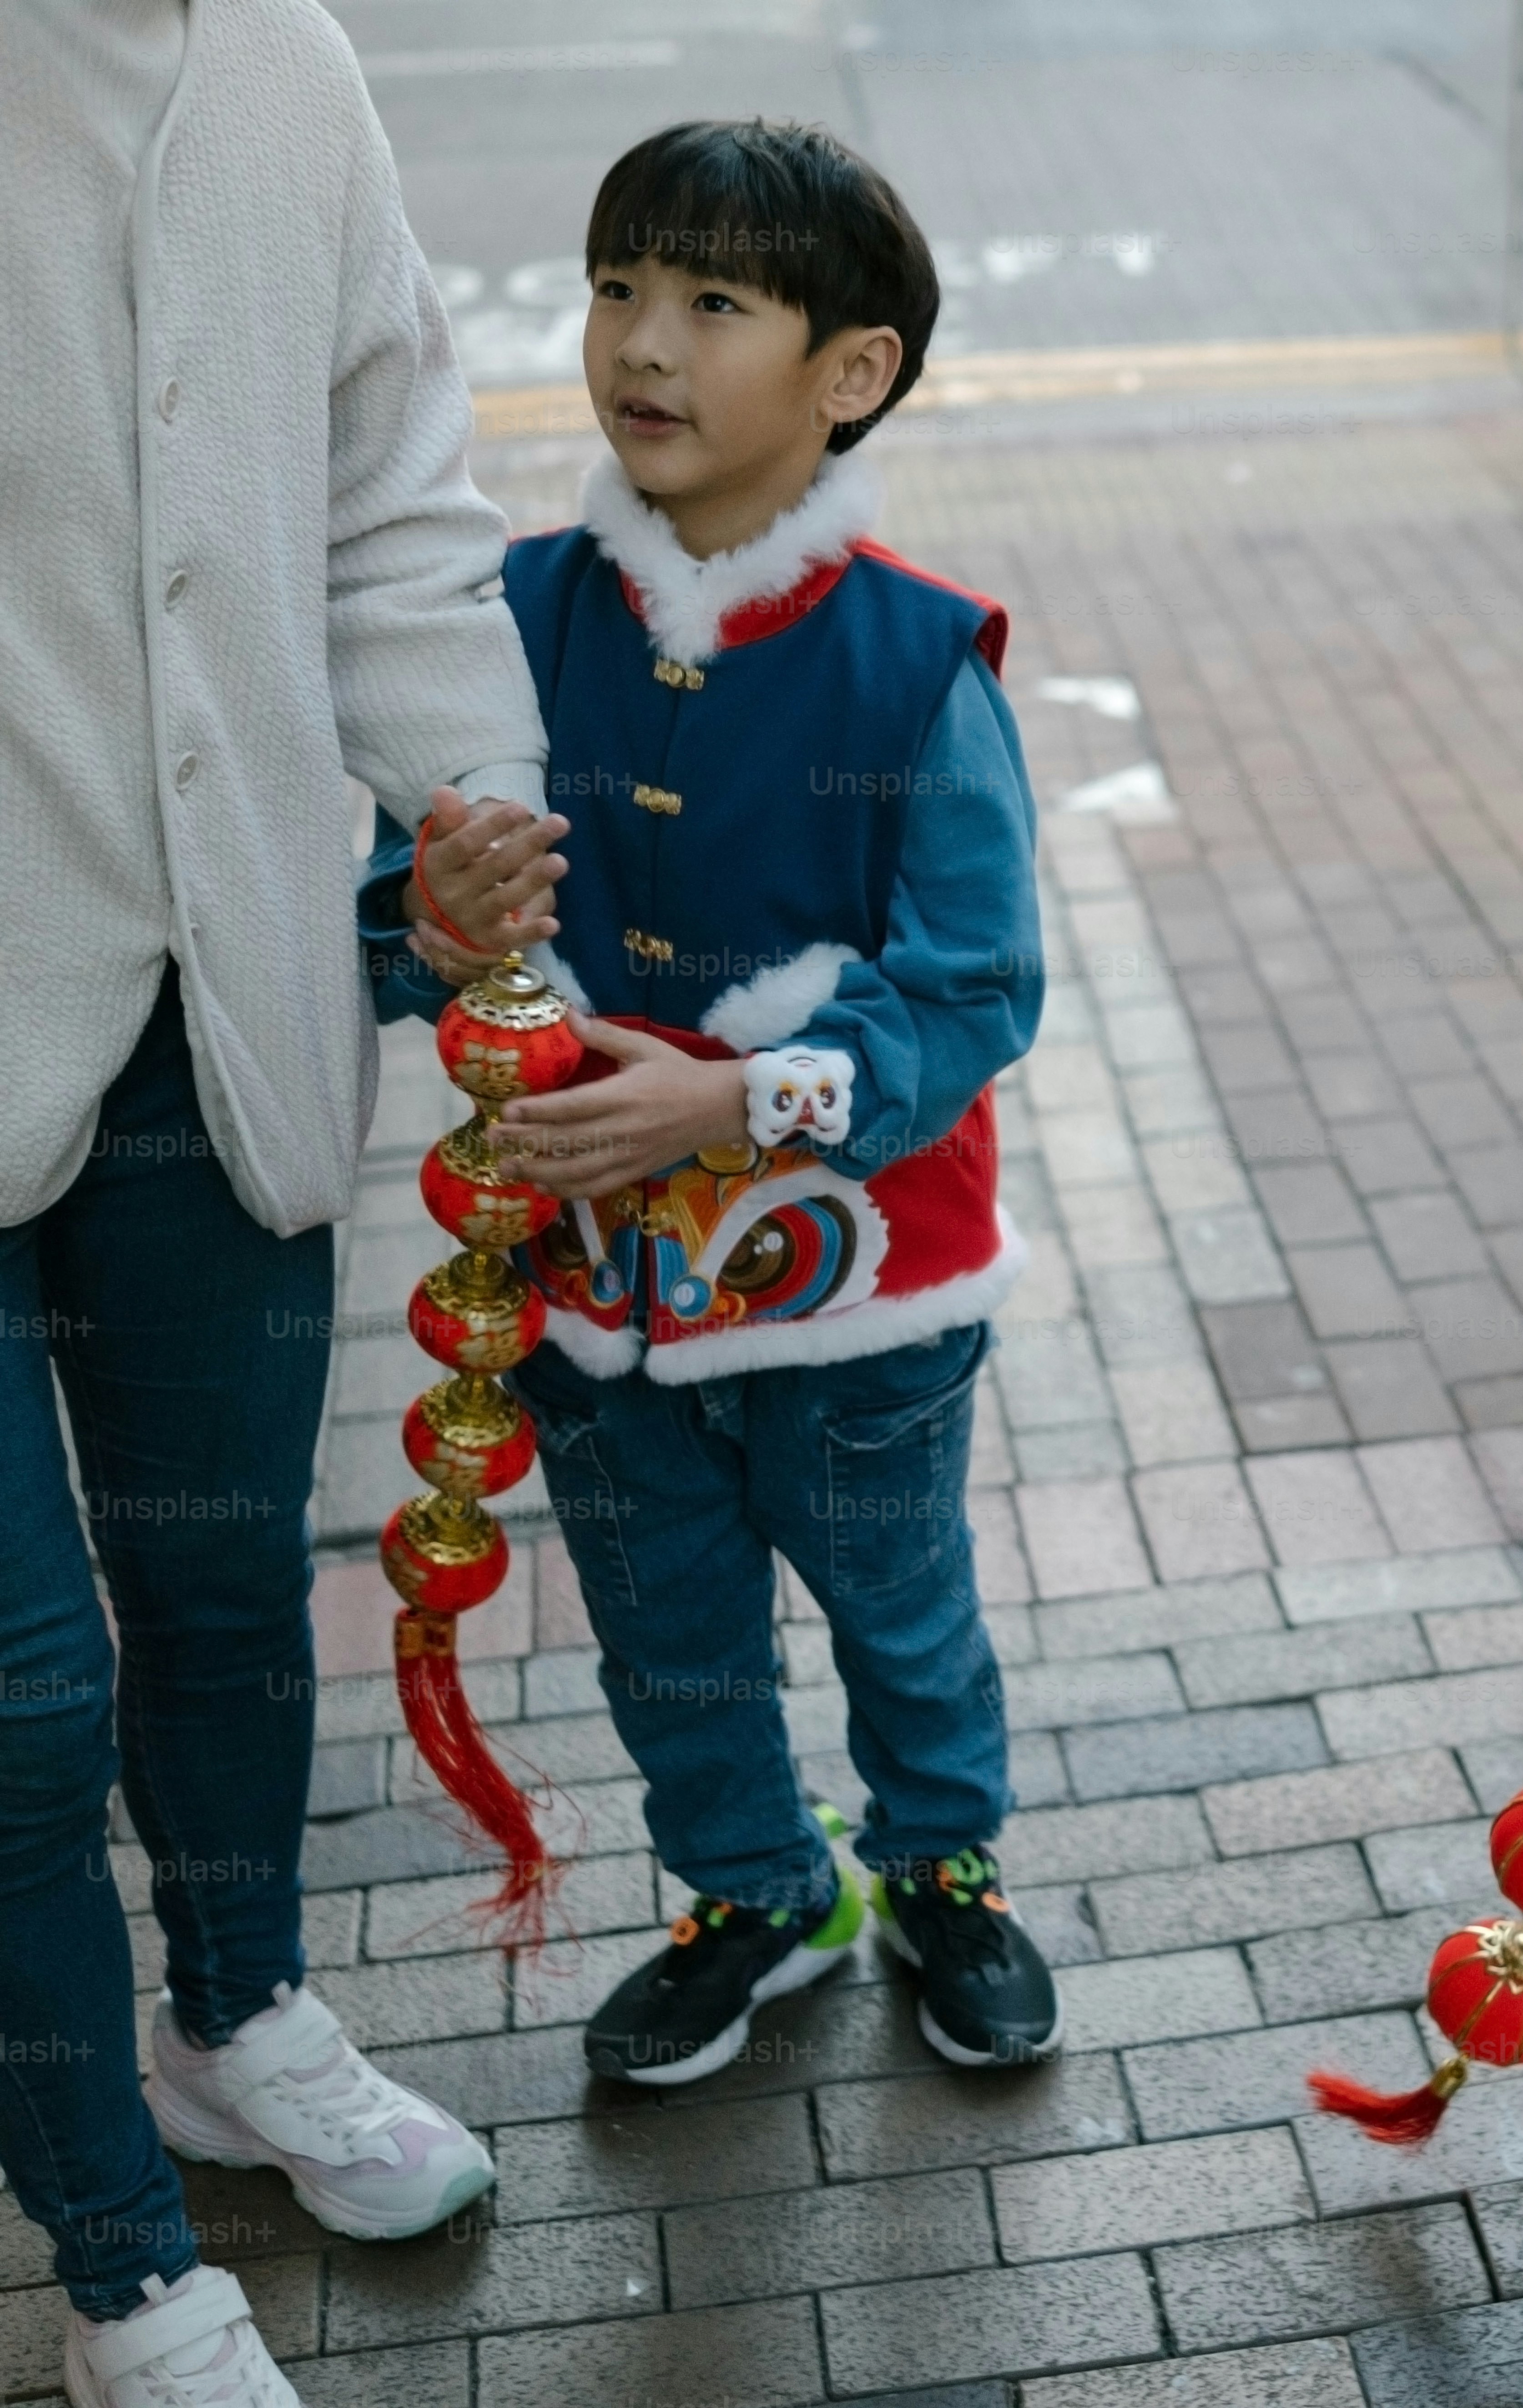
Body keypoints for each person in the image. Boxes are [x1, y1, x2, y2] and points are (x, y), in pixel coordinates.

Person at [369, 119, 1057, 2085]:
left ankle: (941, 1869)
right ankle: (757, 1889)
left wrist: (742, 1102)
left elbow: (975, 984)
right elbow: (397, 909)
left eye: (713, 301)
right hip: (591, 1289)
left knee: (899, 1614)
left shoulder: (914, 657)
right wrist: (430, 915)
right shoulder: (512, 614)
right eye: (617, 288)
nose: (643, 342)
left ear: (854, 371)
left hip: (860, 1290)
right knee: (665, 1632)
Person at [2, 1, 545, 2402]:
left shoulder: (285, 63)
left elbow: (387, 494)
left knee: (228, 1591)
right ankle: (124, 2268)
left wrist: (467, 800)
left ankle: (237, 2023)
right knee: (21, 1704)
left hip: (213, 1000)